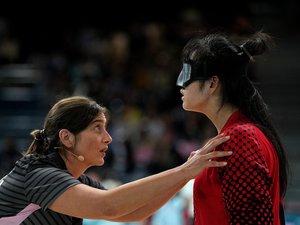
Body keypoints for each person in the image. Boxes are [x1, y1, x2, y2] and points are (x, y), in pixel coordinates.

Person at [0, 96, 232, 225]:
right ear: (67, 137)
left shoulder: (74, 181)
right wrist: (184, 171)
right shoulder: (38, 175)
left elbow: (134, 212)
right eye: (97, 128)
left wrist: (185, 176)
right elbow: (109, 206)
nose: (108, 138)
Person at [176, 30, 289, 225]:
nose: (181, 85)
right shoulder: (240, 134)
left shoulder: (240, 137)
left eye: (188, 74)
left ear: (212, 83)